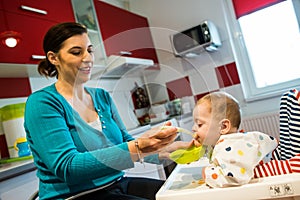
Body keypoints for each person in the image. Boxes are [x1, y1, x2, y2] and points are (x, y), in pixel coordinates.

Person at [24, 22, 190, 200]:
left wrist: (169, 150)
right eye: (76, 52)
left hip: (116, 183)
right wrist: (139, 147)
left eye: (89, 50)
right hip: (75, 195)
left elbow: (125, 141)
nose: (87, 58)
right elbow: (68, 167)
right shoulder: (42, 103)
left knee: (180, 194)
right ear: (53, 58)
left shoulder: (102, 97)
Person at [191, 91, 278, 188]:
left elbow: (233, 178)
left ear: (223, 127)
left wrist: (207, 173)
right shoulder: (232, 140)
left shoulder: (229, 145)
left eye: (199, 124)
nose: (193, 128)